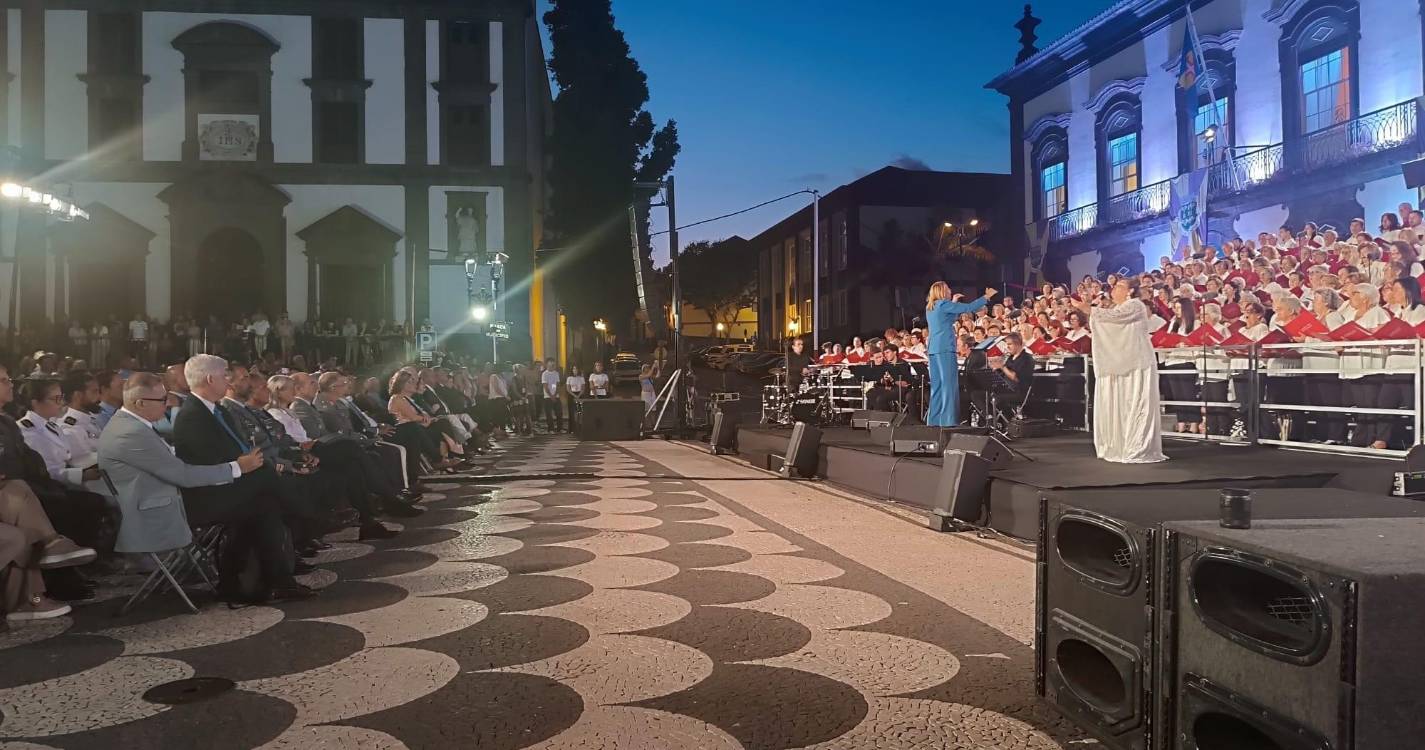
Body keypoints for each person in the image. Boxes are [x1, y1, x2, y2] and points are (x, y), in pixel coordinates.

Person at [171, 355, 315, 601]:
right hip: (208, 494)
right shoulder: (192, 416)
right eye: (225, 374)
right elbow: (207, 465)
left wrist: (247, 463)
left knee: (265, 507)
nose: (228, 379)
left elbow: (238, 452)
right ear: (210, 379)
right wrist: (245, 465)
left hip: (235, 486)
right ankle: (306, 513)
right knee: (267, 479)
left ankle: (273, 582)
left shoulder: (218, 412)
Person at [1070, 279, 1166, 463]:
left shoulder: (1136, 305)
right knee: (1122, 404)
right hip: (1121, 363)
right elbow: (1107, 321)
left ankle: (1138, 446)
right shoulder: (1116, 308)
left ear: (1130, 291)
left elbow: (1113, 318)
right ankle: (1119, 444)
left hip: (1137, 364)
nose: (1114, 289)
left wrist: (1085, 307)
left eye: (1120, 286)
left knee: (1136, 404)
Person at [924, 282, 998, 426]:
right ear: (942, 292)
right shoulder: (943, 305)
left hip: (933, 349)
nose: (950, 290)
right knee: (949, 385)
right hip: (945, 348)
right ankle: (948, 421)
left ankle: (934, 420)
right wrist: (986, 297)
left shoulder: (931, 307)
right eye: (947, 289)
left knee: (937, 386)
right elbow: (968, 308)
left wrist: (953, 302)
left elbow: (949, 319)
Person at [541, 359, 563, 432]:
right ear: (547, 365)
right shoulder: (544, 374)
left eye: (553, 365)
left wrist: (554, 394)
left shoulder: (556, 373)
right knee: (549, 414)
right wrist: (551, 395)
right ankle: (551, 429)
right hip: (547, 397)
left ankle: (559, 428)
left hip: (555, 396)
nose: (552, 366)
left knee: (559, 413)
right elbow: (545, 386)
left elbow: (556, 384)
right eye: (550, 365)